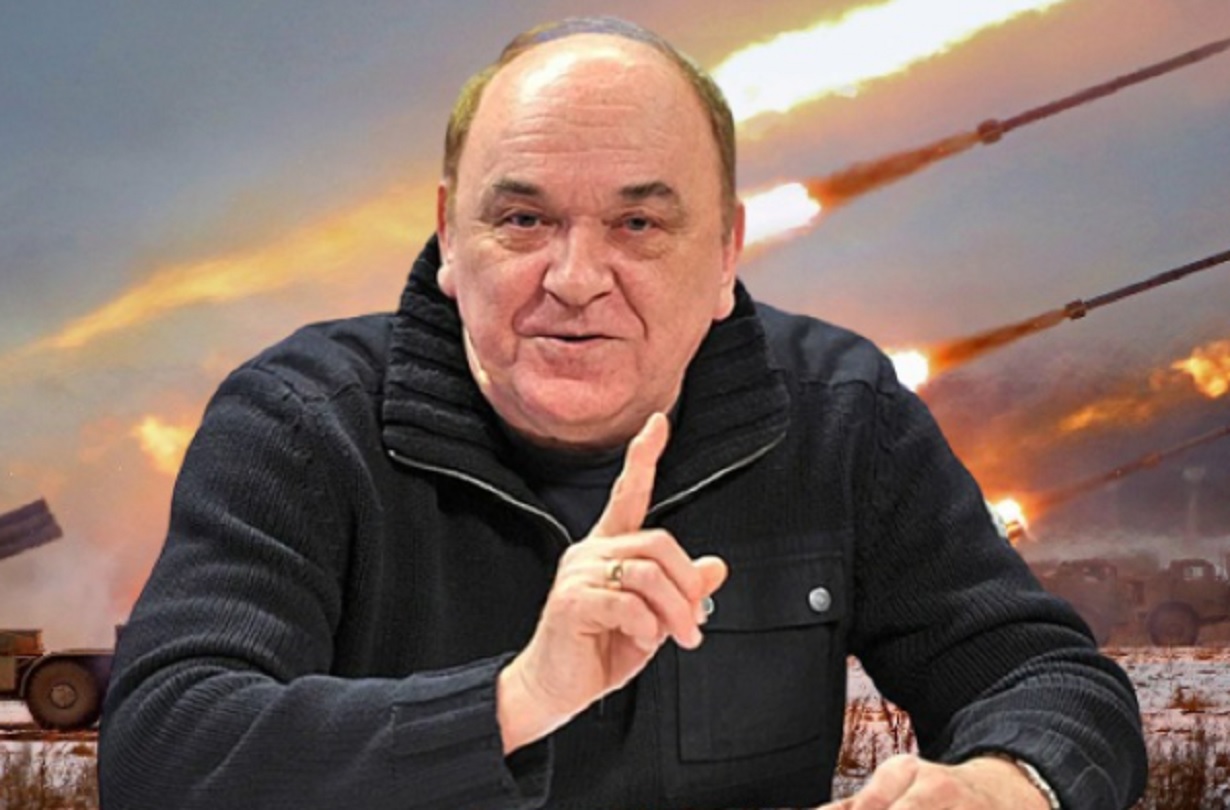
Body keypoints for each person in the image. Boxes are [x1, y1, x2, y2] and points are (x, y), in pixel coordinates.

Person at [99, 16, 1147, 810]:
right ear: (449, 237)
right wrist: (514, 698)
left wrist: (1008, 784)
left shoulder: (843, 414)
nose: (575, 278)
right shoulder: (299, 421)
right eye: (523, 219)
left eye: (639, 224)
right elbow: (162, 752)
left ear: (728, 251)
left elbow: (1047, 675)